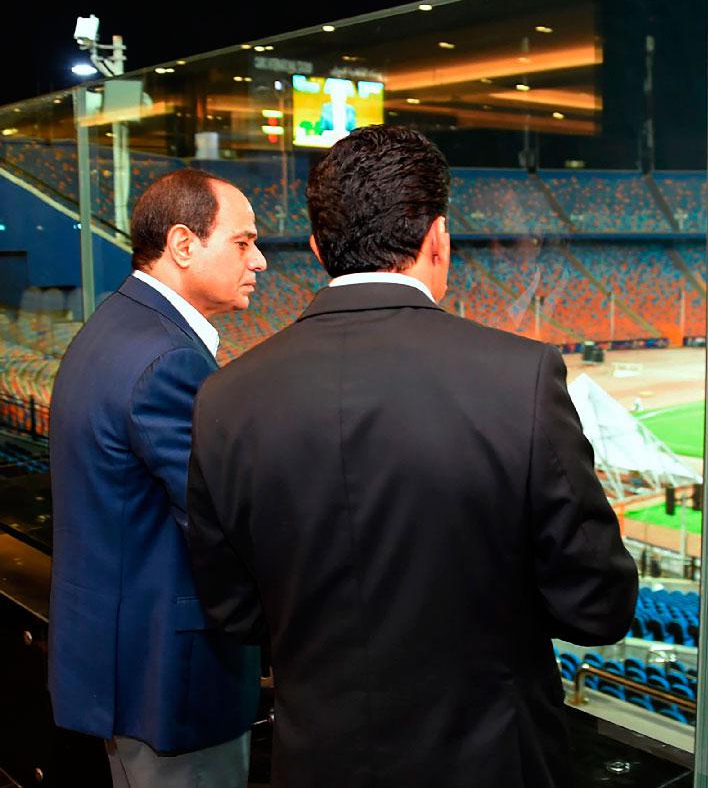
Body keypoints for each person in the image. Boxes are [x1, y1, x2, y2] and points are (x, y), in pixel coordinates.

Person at [186, 125, 638, 788]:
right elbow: (597, 606)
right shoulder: (518, 377)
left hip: (316, 762)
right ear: (437, 237)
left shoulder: (227, 396)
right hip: (490, 762)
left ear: (317, 248)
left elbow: (232, 610)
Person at [48, 168, 267, 787]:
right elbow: (218, 519)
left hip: (119, 660)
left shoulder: (116, 326)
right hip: (169, 681)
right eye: (243, 242)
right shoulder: (168, 358)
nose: (259, 261)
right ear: (183, 244)